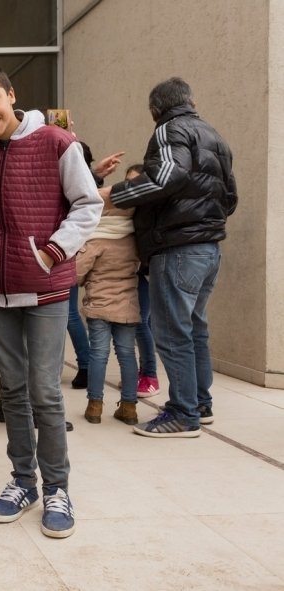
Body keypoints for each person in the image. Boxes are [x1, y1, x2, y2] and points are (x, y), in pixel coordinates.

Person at [0, 62, 102, 539]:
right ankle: (23, 482)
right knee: (13, 391)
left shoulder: (57, 143)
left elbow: (88, 204)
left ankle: (58, 487)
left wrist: (52, 251)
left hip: (45, 286)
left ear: (10, 94)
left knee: (45, 391)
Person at [106, 77, 237, 437]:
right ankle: (200, 403)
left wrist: (114, 194)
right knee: (194, 329)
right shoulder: (214, 138)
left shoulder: (168, 130)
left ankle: (182, 413)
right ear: (190, 101)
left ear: (154, 110)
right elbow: (231, 197)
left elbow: (166, 177)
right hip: (208, 249)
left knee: (172, 333)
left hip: (177, 249)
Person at [76, 174, 141, 425]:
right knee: (126, 355)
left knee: (98, 355)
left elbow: (76, 273)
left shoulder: (97, 240)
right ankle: (129, 407)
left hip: (99, 307)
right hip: (128, 306)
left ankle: (94, 406)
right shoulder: (133, 239)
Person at [67, 142, 125, 389]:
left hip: (68, 250)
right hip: (68, 249)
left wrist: (96, 175)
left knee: (68, 313)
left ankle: (87, 365)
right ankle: (86, 365)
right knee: (67, 314)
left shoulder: (81, 184)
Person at [122, 164, 162, 398]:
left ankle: (150, 376)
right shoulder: (128, 209)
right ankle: (143, 373)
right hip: (136, 272)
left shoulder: (152, 209)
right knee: (140, 323)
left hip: (150, 271)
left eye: (135, 183)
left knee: (142, 323)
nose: (130, 188)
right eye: (127, 182)